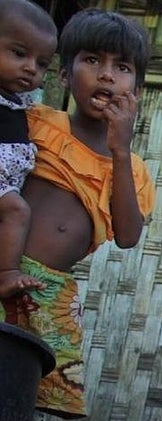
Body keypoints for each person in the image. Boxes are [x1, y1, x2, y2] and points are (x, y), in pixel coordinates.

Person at [1, 8, 154, 418]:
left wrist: (120, 149)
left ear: (136, 89)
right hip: (4, 266)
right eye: (92, 61)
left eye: (121, 68)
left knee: (24, 393)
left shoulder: (133, 169)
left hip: (49, 290)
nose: (107, 76)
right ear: (65, 76)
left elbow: (127, 235)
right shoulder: (36, 123)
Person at [0, 0, 56, 300]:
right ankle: (7, 274)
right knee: (17, 210)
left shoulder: (27, 106)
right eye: (19, 54)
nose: (30, 68)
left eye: (42, 63)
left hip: (7, 183)